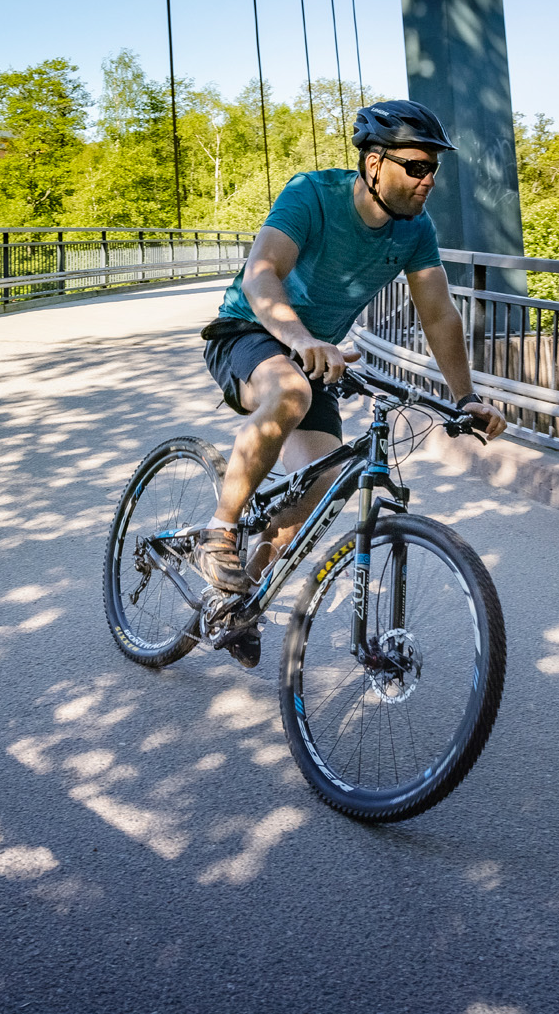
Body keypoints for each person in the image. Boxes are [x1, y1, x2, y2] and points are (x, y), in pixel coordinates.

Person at [194, 100, 507, 663]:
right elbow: (262, 272)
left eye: (433, 168)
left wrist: (466, 398)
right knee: (289, 390)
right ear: (373, 164)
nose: (428, 179)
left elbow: (437, 314)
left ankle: (239, 601)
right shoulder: (312, 195)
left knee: (325, 485)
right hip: (250, 331)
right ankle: (219, 532)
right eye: (415, 167)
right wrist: (303, 339)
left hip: (315, 359)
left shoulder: (414, 230)